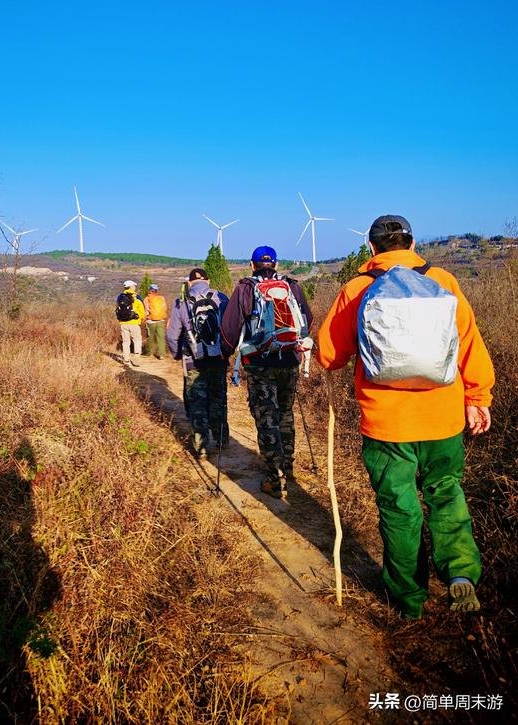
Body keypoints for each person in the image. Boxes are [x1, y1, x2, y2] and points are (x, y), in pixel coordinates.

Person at [316, 215, 495, 618]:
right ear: (413, 244)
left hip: (386, 425)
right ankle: (460, 572)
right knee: (446, 492)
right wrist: (477, 397)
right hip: (443, 419)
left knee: (399, 509)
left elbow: (329, 355)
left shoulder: (357, 288)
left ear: (371, 248)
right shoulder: (443, 281)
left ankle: (409, 601)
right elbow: (469, 343)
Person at [220, 246, 313, 498]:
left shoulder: (245, 288)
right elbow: (307, 319)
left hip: (259, 363)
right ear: (276, 264)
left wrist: (225, 353)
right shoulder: (292, 286)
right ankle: (288, 467)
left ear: (252, 265)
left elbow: (230, 328)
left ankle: (274, 477)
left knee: (267, 417)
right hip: (289, 360)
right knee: (285, 413)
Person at [166, 268, 229, 458]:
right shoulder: (222, 298)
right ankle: (221, 439)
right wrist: (226, 352)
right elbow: (231, 329)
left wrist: (178, 355)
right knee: (218, 397)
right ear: (208, 281)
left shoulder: (182, 302)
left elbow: (172, 335)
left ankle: (201, 446)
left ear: (189, 282)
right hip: (218, 358)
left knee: (197, 401)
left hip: (193, 359)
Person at [116, 280, 146, 367]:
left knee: (125, 342)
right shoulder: (137, 297)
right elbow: (142, 311)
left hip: (123, 323)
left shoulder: (119, 297)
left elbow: (117, 309)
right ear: (131, 287)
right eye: (134, 286)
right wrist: (141, 318)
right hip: (134, 322)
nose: (135, 287)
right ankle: (136, 358)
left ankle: (126, 360)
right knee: (137, 340)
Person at [144, 284, 167, 359]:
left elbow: (146, 310)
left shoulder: (147, 299)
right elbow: (165, 308)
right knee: (161, 338)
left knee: (150, 337)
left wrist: (145, 319)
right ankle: (162, 354)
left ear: (150, 290)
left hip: (151, 321)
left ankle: (149, 353)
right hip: (161, 321)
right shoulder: (162, 298)